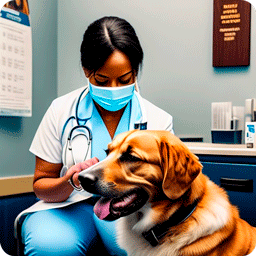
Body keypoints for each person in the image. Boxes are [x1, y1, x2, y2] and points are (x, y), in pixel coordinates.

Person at [21, 16, 174, 256]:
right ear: (86, 70)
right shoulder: (61, 110)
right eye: (102, 80)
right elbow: (41, 184)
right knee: (50, 247)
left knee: (131, 247)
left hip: (131, 209)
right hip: (68, 207)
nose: (114, 89)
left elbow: (169, 188)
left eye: (125, 79)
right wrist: (70, 180)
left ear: (136, 71)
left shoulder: (157, 121)